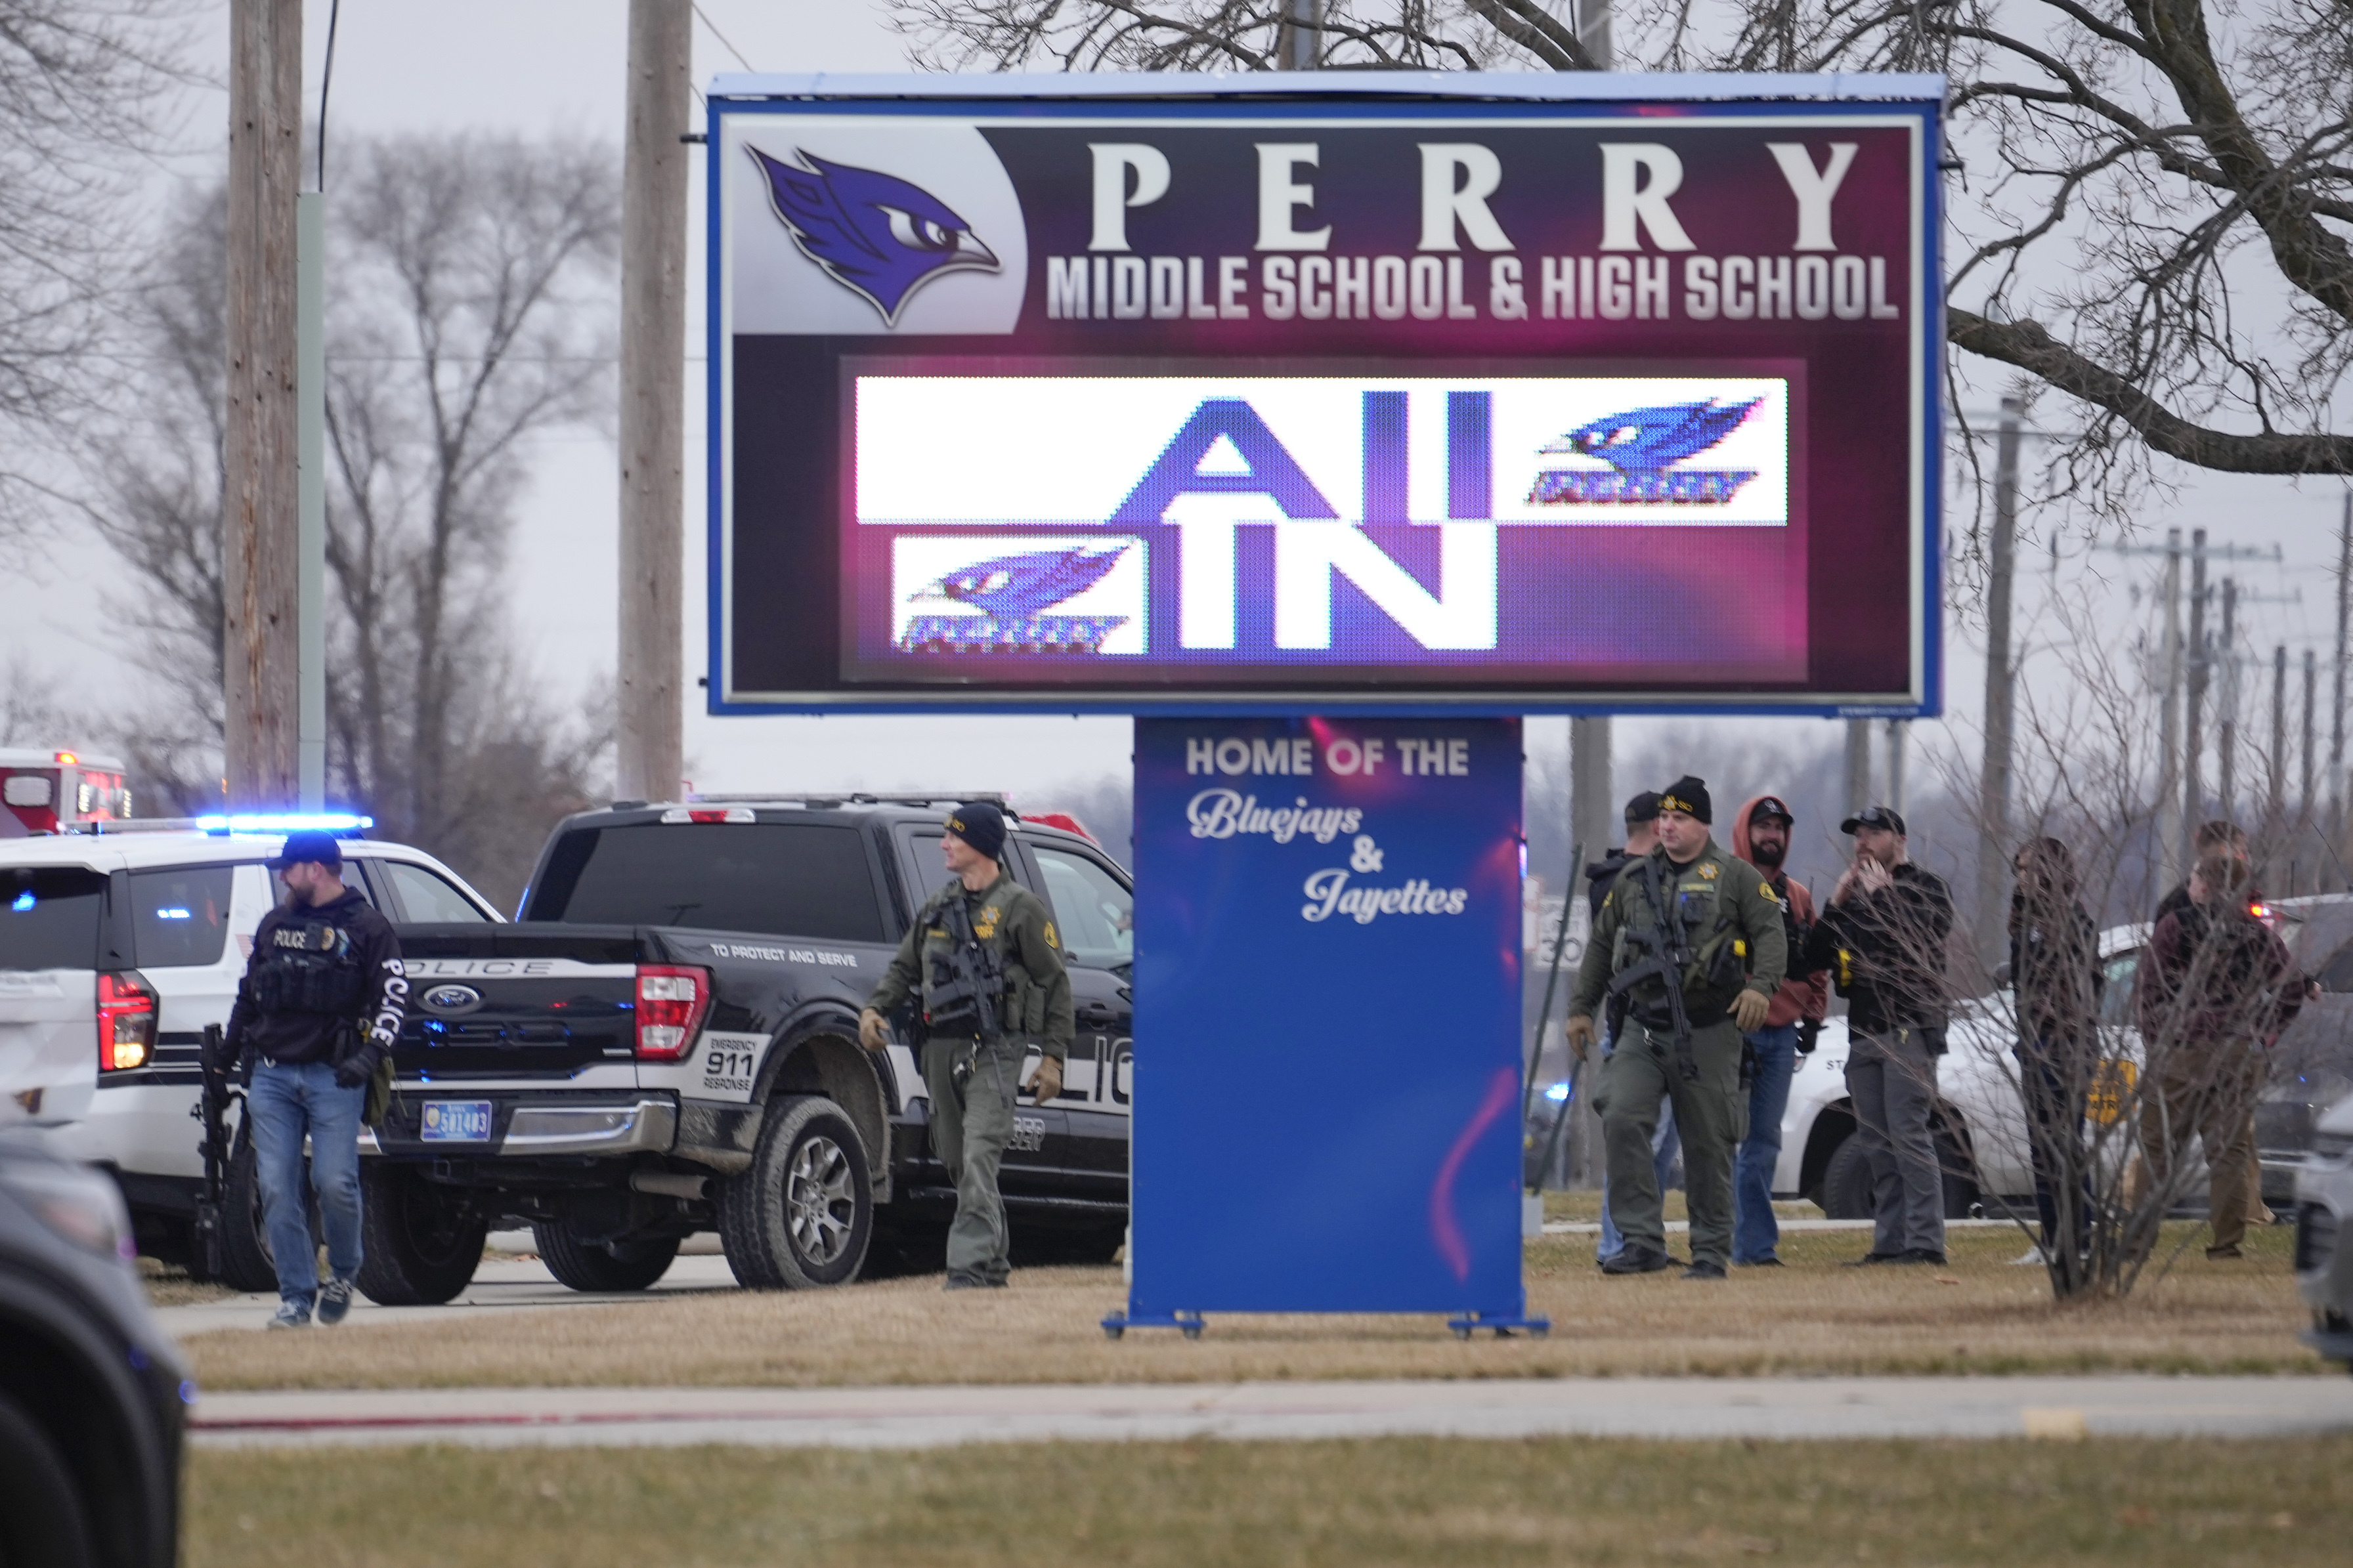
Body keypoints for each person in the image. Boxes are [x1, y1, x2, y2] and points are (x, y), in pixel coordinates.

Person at [1568, 777, 1787, 1281]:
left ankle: (1710, 1250)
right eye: (1664, 817)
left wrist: (1761, 988)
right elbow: (1602, 945)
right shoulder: (1634, 879)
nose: (1668, 825)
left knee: (1708, 1141)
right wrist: (1582, 1007)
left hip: (1709, 1029)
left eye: (1680, 818)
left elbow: (1771, 934)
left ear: (1703, 824)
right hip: (1643, 1028)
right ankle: (1640, 1240)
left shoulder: (1735, 877)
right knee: (1621, 1113)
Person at [860, 801, 1074, 1289]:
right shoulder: (938, 906)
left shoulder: (1021, 908)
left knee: (981, 1153)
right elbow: (904, 968)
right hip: (939, 1047)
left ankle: (968, 1267)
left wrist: (1053, 1057)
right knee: (958, 1159)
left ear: (978, 843)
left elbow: (1055, 983)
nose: (945, 844)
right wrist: (874, 1009)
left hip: (996, 1050)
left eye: (953, 836)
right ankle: (994, 1261)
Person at [219, 831, 408, 1329]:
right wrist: (225, 1056)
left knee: (335, 1182)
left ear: (317, 869)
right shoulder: (275, 924)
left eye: (290, 867)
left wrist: (370, 1057)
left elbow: (394, 999)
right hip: (273, 1077)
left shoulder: (368, 926)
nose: (283, 875)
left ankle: (343, 1271)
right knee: (277, 1189)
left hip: (335, 1076)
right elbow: (249, 995)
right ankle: (296, 1297)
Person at [1802, 805, 1955, 1267]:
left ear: (1899, 839)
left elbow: (1922, 937)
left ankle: (1926, 1243)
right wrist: (1836, 902)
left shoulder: (1925, 888)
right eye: (1859, 834)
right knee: (1876, 1143)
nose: (1863, 841)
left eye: (1874, 832)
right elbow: (1810, 958)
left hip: (1909, 1027)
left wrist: (1882, 896)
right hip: (1864, 1032)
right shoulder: (1856, 899)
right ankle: (1890, 1243)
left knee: (1910, 1135)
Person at [2132, 853, 2303, 1261]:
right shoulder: (2256, 934)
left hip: (2182, 1052)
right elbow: (2292, 986)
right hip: (2237, 1053)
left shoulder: (2175, 926)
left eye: (2192, 877)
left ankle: (2136, 1244)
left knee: (2157, 1148)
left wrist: (2159, 1038)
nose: (2189, 884)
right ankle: (2226, 1245)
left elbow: (2148, 988)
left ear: (2204, 885)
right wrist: (2266, 1031)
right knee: (2228, 1152)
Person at [1727, 794, 1828, 1267]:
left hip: (1783, 1034)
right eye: (1763, 826)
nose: (1772, 835)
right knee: (1724, 1137)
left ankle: (1756, 1248)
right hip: (1731, 1030)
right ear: (1745, 831)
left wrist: (1812, 1017)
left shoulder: (1798, 897)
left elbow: (1816, 965)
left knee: (1764, 1140)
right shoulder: (1724, 885)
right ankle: (1719, 1240)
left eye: (1779, 828)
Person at [1585, 793, 1681, 1266]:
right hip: (1636, 1030)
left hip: (1657, 1027)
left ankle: (1644, 1240)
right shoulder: (1623, 881)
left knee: (1657, 1148)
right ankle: (1620, 1243)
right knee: (1637, 1144)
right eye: (1667, 819)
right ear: (1654, 825)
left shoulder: (1611, 877)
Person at [2007, 836, 2103, 1269]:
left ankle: (2079, 1237)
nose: (2021, 877)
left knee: (2066, 1147)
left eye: (2029, 869)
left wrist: (2052, 1027)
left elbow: (2085, 989)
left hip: (2066, 1049)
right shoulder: (2026, 920)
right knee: (2040, 1149)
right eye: (2017, 869)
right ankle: (2049, 1238)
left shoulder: (2074, 921)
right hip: (2034, 1047)